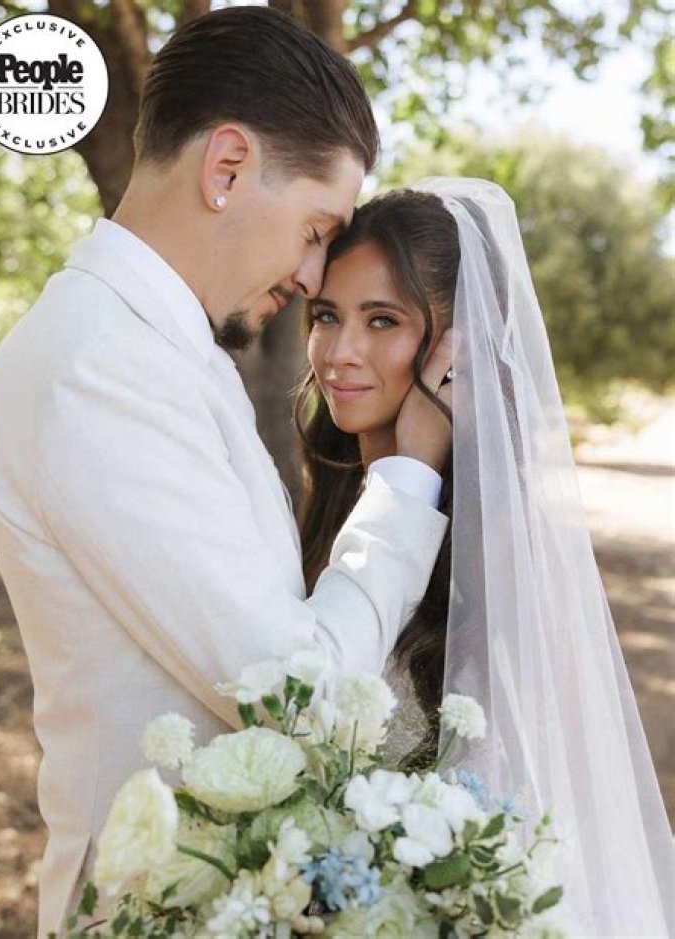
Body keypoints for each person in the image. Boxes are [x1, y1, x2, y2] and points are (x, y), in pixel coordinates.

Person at [0, 9, 455, 937]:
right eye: (316, 228)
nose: (313, 276)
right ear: (226, 167)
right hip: (154, 907)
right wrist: (406, 479)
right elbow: (301, 698)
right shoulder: (96, 364)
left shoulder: (160, 348)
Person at [295, 181, 673, 936]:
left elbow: (522, 809)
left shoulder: (496, 549)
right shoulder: (329, 502)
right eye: (327, 316)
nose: (339, 353)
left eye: (382, 320)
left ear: (454, 351)